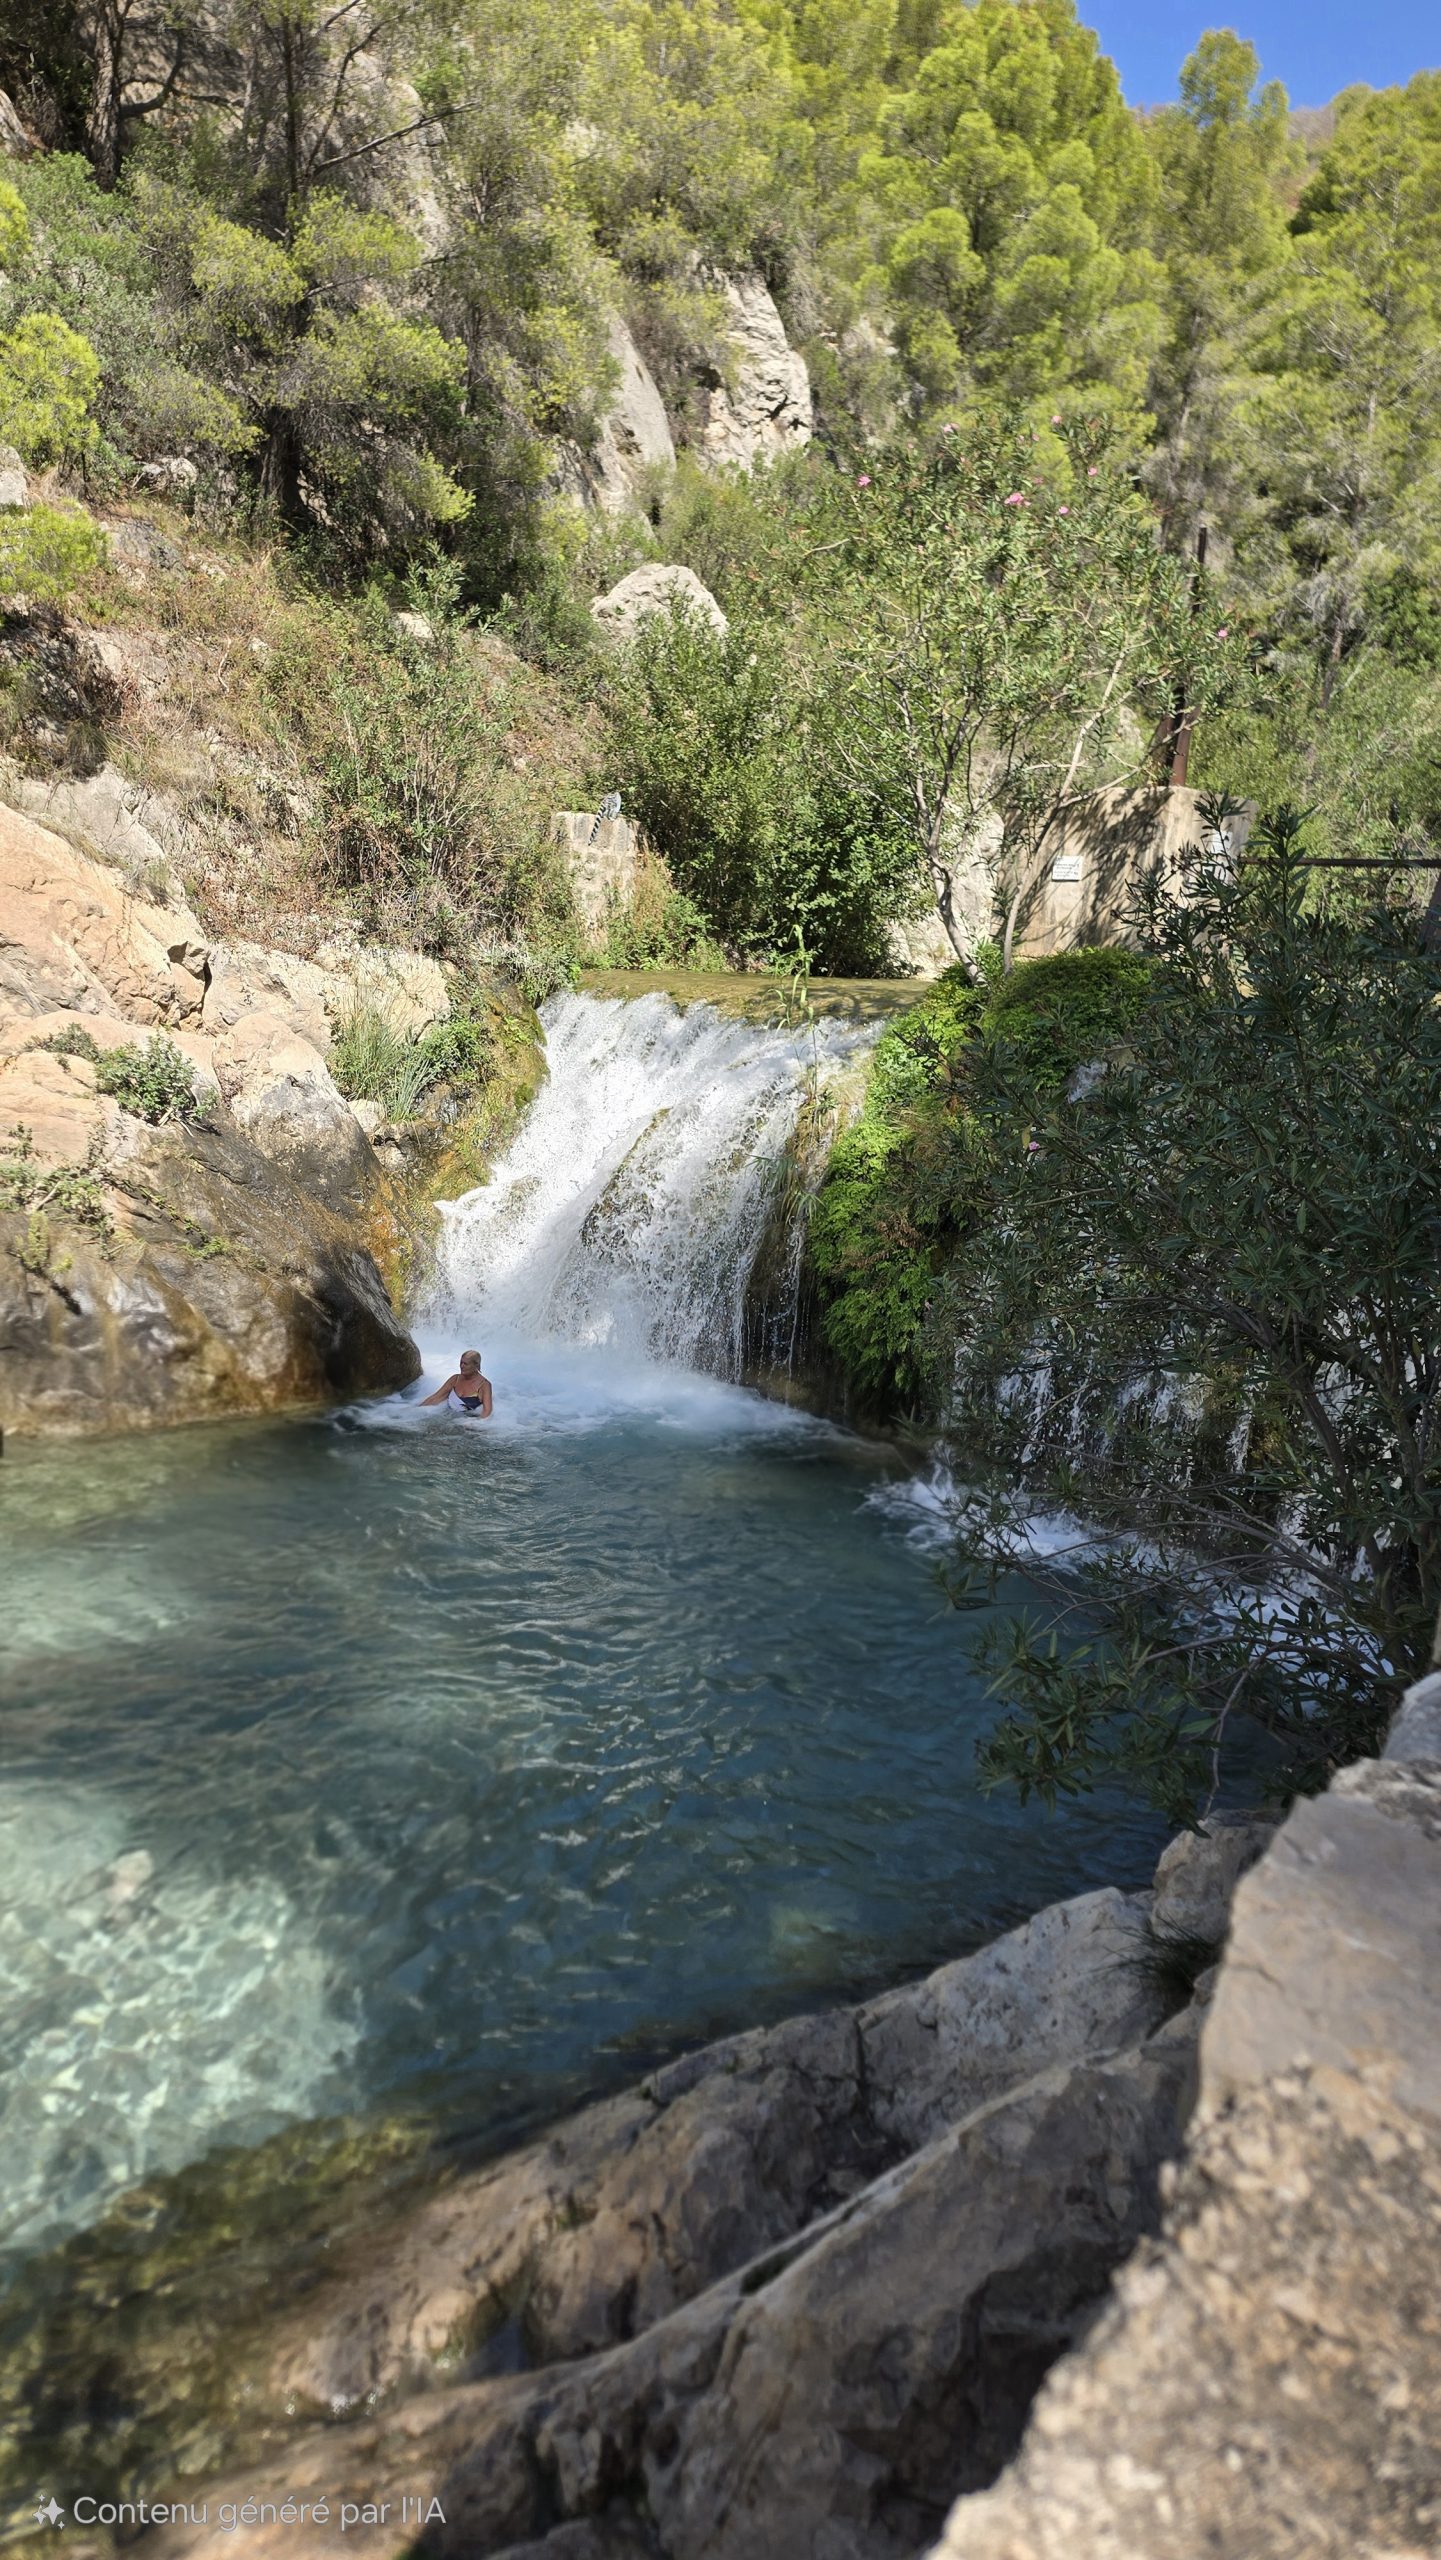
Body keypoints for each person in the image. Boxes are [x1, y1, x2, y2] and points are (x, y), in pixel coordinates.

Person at [420, 1350, 493, 1418]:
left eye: (465, 1364)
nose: (462, 1366)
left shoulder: (484, 1385)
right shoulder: (455, 1379)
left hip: (467, 1422)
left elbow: (487, 1412)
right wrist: (417, 1409)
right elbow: (435, 1398)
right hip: (446, 1417)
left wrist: (475, 1423)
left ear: (476, 1365)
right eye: (461, 1363)